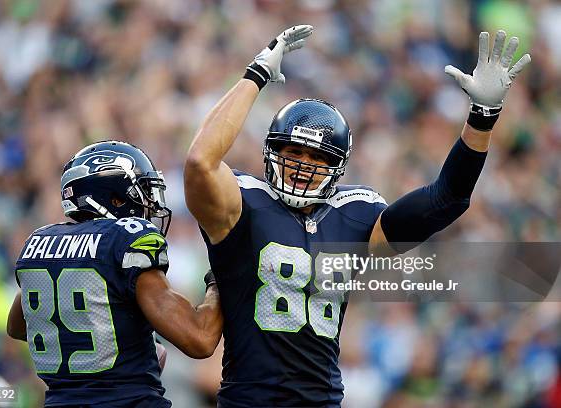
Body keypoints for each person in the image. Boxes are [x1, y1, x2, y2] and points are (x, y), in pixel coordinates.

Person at [183, 25, 530, 407]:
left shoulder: (355, 214)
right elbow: (200, 161)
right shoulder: (242, 204)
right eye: (294, 151)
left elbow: (447, 199)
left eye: (318, 158)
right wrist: (257, 74)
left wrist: (483, 117)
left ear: (339, 168)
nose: (303, 165)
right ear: (271, 152)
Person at [7, 141, 223, 408]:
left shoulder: (40, 243)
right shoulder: (122, 241)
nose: (151, 204)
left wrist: (116, 338)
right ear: (116, 199)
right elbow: (200, 339)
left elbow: (17, 326)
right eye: (142, 192)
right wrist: (219, 280)